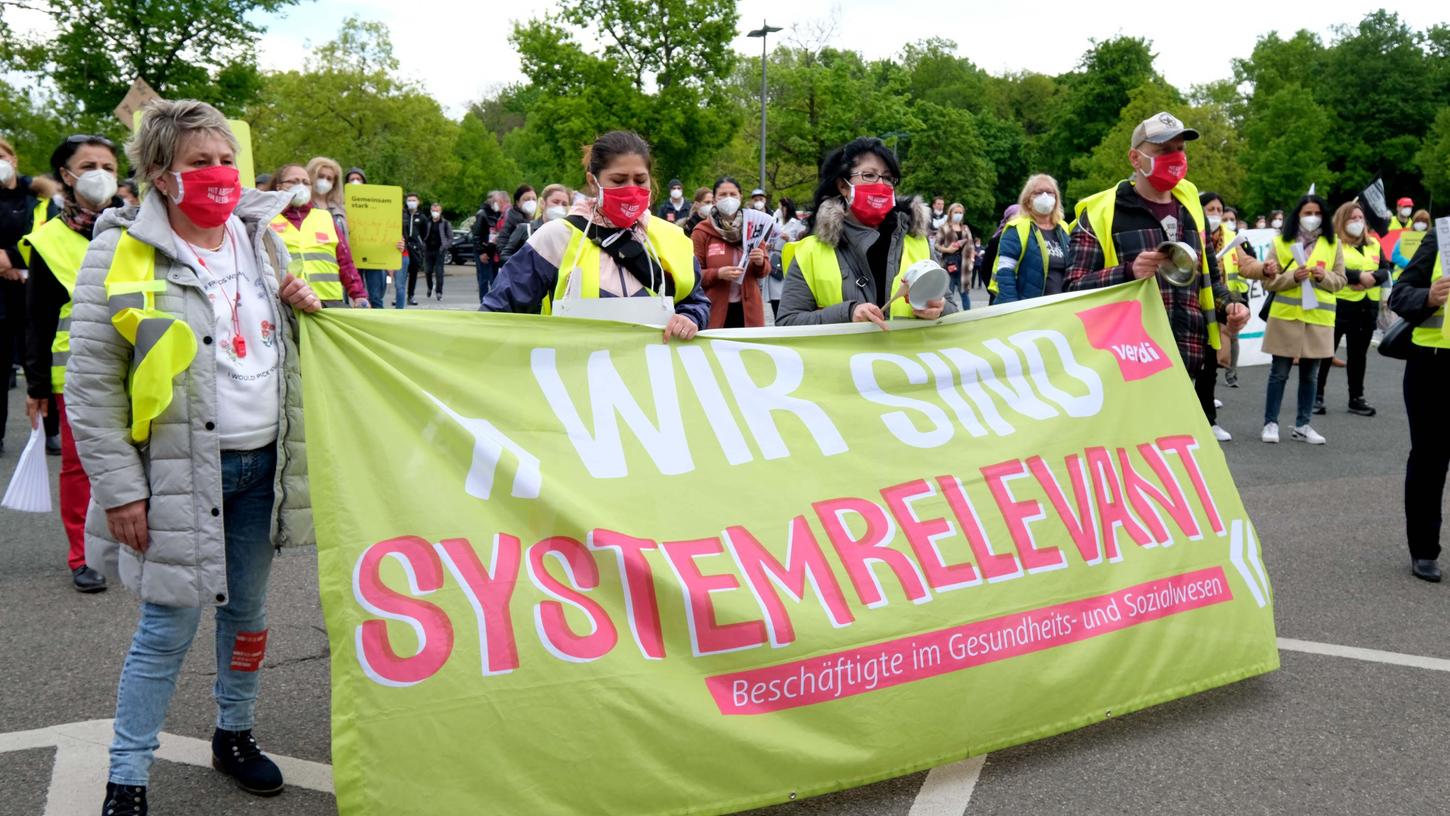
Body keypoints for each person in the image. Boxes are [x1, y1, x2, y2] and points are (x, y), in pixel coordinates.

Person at [65, 98, 321, 815]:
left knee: (248, 615)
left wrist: (301, 306)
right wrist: (120, 489)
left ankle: (233, 733)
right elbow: (90, 387)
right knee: (165, 627)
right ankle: (127, 775)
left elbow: (276, 347)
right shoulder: (121, 251)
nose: (219, 175)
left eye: (226, 160)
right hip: (179, 473)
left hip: (261, 465)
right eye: (199, 163)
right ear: (159, 175)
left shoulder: (261, 239)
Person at [1065, 112, 1247, 432]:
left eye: (1181, 149)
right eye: (1164, 150)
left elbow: (1209, 282)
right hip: (1124, 370)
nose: (1175, 158)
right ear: (1136, 158)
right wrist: (1127, 272)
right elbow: (1071, 288)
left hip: (1188, 364)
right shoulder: (1100, 213)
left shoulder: (1191, 206)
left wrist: (1231, 305)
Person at [482, 130, 708, 342]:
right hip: (573, 376)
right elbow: (498, 309)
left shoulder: (673, 238)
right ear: (593, 182)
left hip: (650, 377)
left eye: (640, 180)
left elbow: (695, 300)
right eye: (619, 180)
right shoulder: (557, 237)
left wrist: (691, 318)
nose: (631, 189)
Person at [19, 134, 119, 592]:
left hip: (141, 368)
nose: (101, 173)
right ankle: (82, 555)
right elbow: (36, 320)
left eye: (109, 164)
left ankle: (133, 543)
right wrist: (37, 386)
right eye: (89, 164)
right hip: (77, 373)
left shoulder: (136, 227)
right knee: (82, 467)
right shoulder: (49, 240)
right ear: (67, 175)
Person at [776, 136, 954, 328]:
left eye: (887, 177)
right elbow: (788, 323)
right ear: (843, 186)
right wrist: (847, 313)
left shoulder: (917, 242)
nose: (881, 184)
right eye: (869, 175)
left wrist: (940, 309)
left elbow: (952, 310)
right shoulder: (810, 252)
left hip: (907, 358)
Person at [1257, 193, 1345, 445]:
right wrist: (1292, 277)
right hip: (1286, 316)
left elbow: (1340, 281)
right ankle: (1270, 422)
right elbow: (1267, 282)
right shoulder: (1281, 243)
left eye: (1317, 213)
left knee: (1310, 375)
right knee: (1279, 373)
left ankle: (1303, 424)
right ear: (1298, 215)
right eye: (1307, 213)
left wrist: (1322, 276)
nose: (1312, 218)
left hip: (1318, 317)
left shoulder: (1333, 243)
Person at [1388, 228, 1448, 582]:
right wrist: (1428, 296)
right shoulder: (1442, 237)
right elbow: (1400, 295)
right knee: (1429, 459)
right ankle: (1424, 550)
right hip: (1435, 367)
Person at [1, 136, 61, 454]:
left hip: (32, 291)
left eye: (1, 155)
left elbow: (47, 236)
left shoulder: (39, 198)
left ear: (14, 159)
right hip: (1, 293)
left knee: (38, 361)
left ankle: (50, 431)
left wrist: (11, 258)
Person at [1314, 201, 1388, 417]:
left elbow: (1385, 269)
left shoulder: (1373, 243)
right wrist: (1356, 276)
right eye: (1352, 218)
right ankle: (1316, 395)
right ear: (1342, 221)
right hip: (1339, 306)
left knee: (1359, 356)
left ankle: (1356, 397)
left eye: (1360, 218)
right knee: (1326, 353)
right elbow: (1328, 269)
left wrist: (1372, 278)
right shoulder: (1332, 244)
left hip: (1366, 307)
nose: (1357, 222)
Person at [271, 164, 368, 308]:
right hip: (287, 303)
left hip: (330, 303)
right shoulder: (268, 220)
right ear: (279, 186)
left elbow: (345, 262)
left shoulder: (325, 217)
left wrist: (359, 295)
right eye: (294, 181)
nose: (301, 186)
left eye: (305, 182)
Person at [693, 176, 770, 328]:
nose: (728, 199)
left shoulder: (753, 226)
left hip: (748, 312)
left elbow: (764, 271)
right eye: (723, 195)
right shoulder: (702, 231)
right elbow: (693, 274)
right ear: (714, 199)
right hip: (715, 311)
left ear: (740, 196)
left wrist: (760, 261)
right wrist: (718, 273)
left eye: (733, 194)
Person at [995, 174, 1070, 303]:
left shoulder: (1064, 228)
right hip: (1028, 308)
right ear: (1028, 201)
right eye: (1038, 192)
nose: (1045, 196)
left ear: (1056, 199)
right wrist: (1012, 305)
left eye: (1050, 192)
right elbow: (1005, 271)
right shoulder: (1016, 228)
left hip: (1061, 307)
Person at [338, 166, 393, 308]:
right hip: (351, 256)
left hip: (372, 255)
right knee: (351, 295)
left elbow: (385, 228)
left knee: (375, 297)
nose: (355, 182)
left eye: (358, 179)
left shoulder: (376, 205)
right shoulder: (339, 205)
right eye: (351, 180)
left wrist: (394, 245)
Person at [501, 184, 570, 265]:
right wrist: (524, 264)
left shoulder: (567, 236)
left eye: (564, 204)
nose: (560, 207)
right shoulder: (525, 229)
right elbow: (504, 256)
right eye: (555, 202)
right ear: (543, 204)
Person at [470, 191, 507, 303]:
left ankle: (493, 301)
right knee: (484, 278)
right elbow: (476, 235)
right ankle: (484, 302)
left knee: (495, 278)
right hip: (484, 251)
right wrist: (481, 252)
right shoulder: (482, 214)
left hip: (494, 251)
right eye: (496, 200)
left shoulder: (497, 213)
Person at [935, 202, 973, 304]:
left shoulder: (965, 228)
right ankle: (949, 314)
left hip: (964, 265)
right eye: (956, 212)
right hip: (949, 263)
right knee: (948, 292)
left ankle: (968, 316)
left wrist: (972, 257)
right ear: (950, 213)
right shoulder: (944, 228)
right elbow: (937, 245)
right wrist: (948, 250)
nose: (958, 215)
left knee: (964, 293)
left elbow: (971, 245)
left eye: (960, 213)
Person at [399, 191, 429, 307]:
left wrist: (419, 242)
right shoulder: (402, 215)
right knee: (401, 273)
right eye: (409, 200)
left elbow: (425, 233)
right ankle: (399, 296)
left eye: (414, 200)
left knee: (413, 272)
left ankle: (411, 295)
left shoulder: (422, 217)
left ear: (418, 202)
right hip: (404, 246)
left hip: (415, 248)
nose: (411, 203)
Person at [423, 202, 453, 301]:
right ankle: (429, 287)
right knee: (427, 271)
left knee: (439, 272)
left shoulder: (445, 223)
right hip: (428, 250)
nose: (435, 212)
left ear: (440, 211)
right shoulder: (427, 222)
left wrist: (444, 246)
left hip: (439, 250)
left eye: (437, 211)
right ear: (430, 211)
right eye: (433, 210)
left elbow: (450, 238)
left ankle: (439, 292)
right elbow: (422, 234)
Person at [499, 185, 536, 256]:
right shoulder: (514, 219)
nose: (531, 202)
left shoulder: (532, 219)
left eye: (534, 199)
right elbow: (502, 243)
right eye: (527, 199)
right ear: (517, 202)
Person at [1392, 209, 1431, 273]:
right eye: (1418, 221)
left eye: (1424, 221)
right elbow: (1395, 256)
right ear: (1414, 222)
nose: (1420, 223)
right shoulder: (1404, 237)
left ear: (1427, 223)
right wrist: (1411, 264)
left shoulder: (1430, 239)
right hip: (1402, 275)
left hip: (1423, 275)